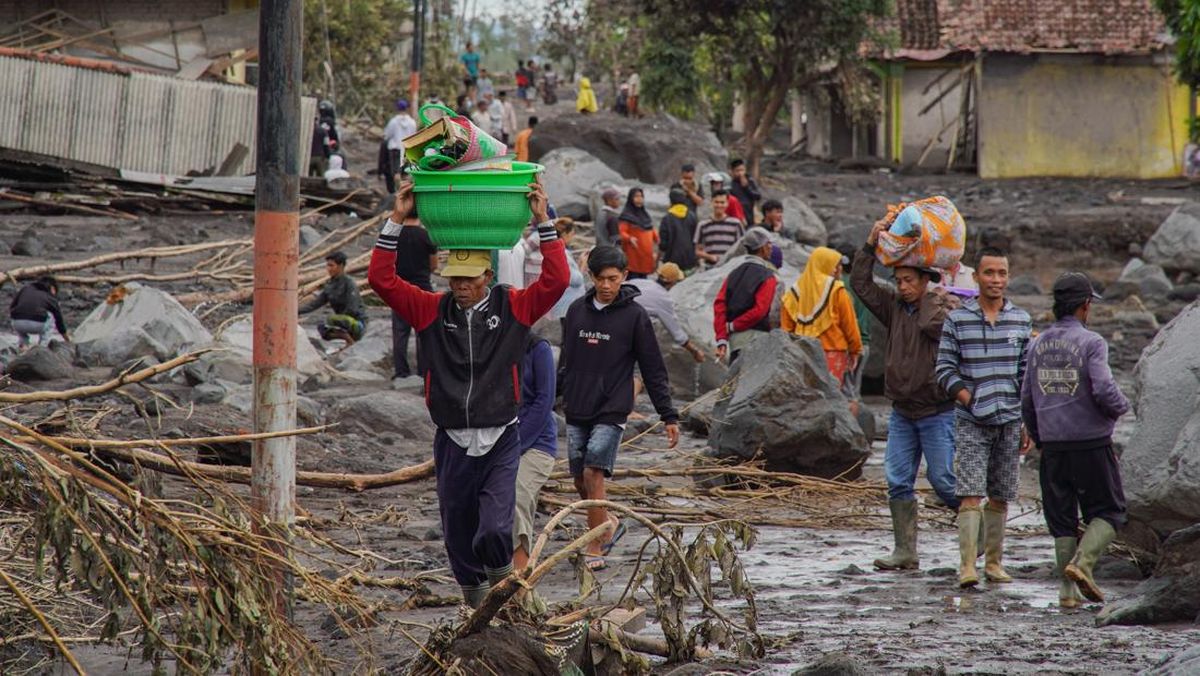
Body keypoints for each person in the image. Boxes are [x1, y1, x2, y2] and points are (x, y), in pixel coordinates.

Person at [368, 180, 567, 608]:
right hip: (453, 439)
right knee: (458, 536)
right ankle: (477, 612)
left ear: (487, 277)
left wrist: (543, 220)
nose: (460, 285)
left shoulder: (513, 307)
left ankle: (503, 600)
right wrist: (397, 218)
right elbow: (381, 280)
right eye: (454, 278)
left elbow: (557, 281)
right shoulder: (430, 310)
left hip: (501, 436)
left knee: (495, 530)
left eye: (469, 278)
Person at [560, 245, 680, 570]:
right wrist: (556, 395)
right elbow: (566, 361)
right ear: (591, 276)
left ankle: (595, 545)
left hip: (613, 406)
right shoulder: (576, 311)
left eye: (613, 279)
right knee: (579, 481)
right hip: (577, 404)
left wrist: (668, 414)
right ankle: (608, 523)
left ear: (625, 276)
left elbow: (653, 367)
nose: (606, 285)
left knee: (593, 472)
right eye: (600, 278)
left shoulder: (635, 316)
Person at [851, 218, 959, 571]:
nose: (902, 287)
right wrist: (870, 244)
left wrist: (931, 296)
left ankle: (980, 537)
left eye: (909, 280)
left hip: (937, 411)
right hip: (902, 412)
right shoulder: (894, 307)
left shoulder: (943, 306)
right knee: (898, 480)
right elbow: (860, 284)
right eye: (898, 281)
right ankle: (905, 551)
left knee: (944, 481)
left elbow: (932, 326)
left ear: (926, 279)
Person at [1022, 272, 1130, 607]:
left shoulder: (1037, 343)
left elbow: (1026, 398)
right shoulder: (1092, 342)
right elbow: (1104, 388)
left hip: (1053, 446)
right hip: (1090, 442)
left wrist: (1040, 436)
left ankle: (1067, 594)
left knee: (1062, 519)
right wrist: (1121, 408)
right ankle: (1083, 563)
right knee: (1111, 510)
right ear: (1085, 305)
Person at [935, 247, 1033, 588]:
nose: (996, 279)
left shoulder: (1021, 320)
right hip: (971, 420)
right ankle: (967, 566)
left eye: (1002, 273)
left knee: (1001, 494)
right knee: (970, 493)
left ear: (1008, 277)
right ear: (976, 277)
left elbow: (1025, 375)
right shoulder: (957, 320)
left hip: (1009, 420)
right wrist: (969, 398)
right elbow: (944, 369)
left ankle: (993, 563)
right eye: (989, 273)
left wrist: (1025, 421)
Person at [780, 247, 862, 384]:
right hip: (833, 353)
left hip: (802, 353)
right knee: (832, 392)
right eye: (835, 265)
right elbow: (849, 325)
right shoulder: (837, 290)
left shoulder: (792, 294)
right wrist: (855, 350)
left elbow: (786, 331)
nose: (838, 269)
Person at [511, 333, 557, 572]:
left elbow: (545, 400)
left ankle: (519, 575)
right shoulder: (490, 345)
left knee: (517, 495)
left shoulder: (539, 348)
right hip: (495, 440)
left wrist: (517, 443)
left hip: (538, 442)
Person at [713, 227, 777, 364]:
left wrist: (722, 338)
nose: (771, 248)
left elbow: (719, 305)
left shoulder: (733, 274)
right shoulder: (768, 276)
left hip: (735, 343)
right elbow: (760, 310)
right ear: (762, 247)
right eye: (769, 244)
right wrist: (734, 326)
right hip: (757, 341)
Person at [390, 201, 438, 380]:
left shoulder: (395, 235)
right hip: (422, 289)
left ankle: (401, 372)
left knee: (400, 333)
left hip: (400, 288)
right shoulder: (426, 236)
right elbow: (434, 265)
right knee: (423, 331)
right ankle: (423, 372)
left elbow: (389, 262)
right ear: (421, 215)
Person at [629, 263, 705, 362]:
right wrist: (694, 351)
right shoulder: (664, 299)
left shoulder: (639, 281)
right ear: (672, 282)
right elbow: (676, 332)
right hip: (627, 331)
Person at [299, 251, 368, 344]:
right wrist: (297, 311)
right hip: (341, 320)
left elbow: (353, 308)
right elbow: (314, 304)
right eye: (327, 265)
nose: (328, 269)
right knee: (322, 330)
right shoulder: (329, 285)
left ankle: (350, 341)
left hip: (357, 323)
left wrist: (338, 320)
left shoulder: (349, 283)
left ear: (341, 266)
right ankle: (349, 341)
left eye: (331, 266)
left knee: (331, 320)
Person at [10, 276, 68, 348]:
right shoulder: (49, 296)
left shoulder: (25, 289)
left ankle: (23, 345)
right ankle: (43, 346)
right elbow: (59, 320)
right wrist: (67, 339)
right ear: (52, 288)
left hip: (17, 324)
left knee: (18, 312)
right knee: (51, 315)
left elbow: (12, 306)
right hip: (37, 325)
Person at [693, 190, 745, 267]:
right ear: (712, 203)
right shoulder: (703, 225)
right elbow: (698, 251)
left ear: (727, 203)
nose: (719, 205)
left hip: (730, 267)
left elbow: (742, 247)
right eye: (716, 202)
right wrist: (710, 257)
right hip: (710, 267)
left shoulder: (736, 224)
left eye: (722, 202)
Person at [617, 188, 658, 279]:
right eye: (636, 196)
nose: (639, 199)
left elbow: (651, 230)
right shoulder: (626, 215)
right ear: (631, 198)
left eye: (641, 196)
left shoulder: (645, 215)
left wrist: (658, 239)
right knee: (633, 279)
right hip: (633, 255)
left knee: (644, 281)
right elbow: (621, 232)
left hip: (646, 256)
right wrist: (629, 238)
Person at [551, 218, 585, 324]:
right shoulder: (563, 253)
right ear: (565, 234)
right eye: (571, 234)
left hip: (562, 303)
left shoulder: (555, 250)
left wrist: (579, 263)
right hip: (569, 304)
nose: (572, 237)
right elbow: (575, 280)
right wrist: (583, 265)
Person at [659, 188, 699, 273]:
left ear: (671, 201)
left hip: (671, 260)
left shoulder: (667, 218)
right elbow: (696, 239)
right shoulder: (692, 216)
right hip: (690, 259)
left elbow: (663, 244)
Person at [382, 99, 416, 193]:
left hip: (395, 149)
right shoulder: (412, 122)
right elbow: (413, 136)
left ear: (397, 108)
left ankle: (398, 191)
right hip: (407, 149)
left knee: (396, 173)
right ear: (407, 108)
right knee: (406, 172)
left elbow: (387, 135)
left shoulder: (393, 122)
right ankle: (406, 191)